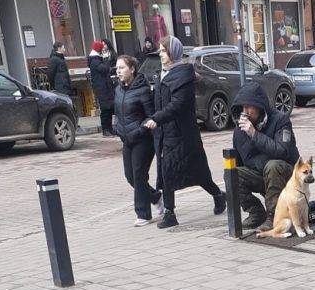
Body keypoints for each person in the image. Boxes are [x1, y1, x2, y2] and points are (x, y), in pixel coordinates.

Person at [144, 35, 226, 229]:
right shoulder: (162, 74)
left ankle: (218, 195)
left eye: (164, 51)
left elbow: (178, 105)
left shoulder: (183, 75)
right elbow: (158, 102)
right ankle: (170, 213)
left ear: (175, 52)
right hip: (165, 133)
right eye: (161, 51)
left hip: (183, 134)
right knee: (167, 172)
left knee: (199, 174)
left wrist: (156, 119)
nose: (161, 54)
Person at [230, 82, 300, 230]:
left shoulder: (280, 120)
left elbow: (282, 151)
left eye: (249, 106)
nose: (245, 111)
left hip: (288, 176)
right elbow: (242, 162)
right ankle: (256, 212)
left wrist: (254, 134)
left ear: (260, 106)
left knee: (273, 165)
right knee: (232, 174)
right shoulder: (240, 130)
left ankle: (275, 215)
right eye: (243, 107)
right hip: (263, 175)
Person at [114, 55, 164, 226]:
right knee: (130, 177)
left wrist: (140, 129)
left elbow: (151, 116)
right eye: (117, 68)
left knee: (139, 175)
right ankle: (156, 197)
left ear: (132, 69)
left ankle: (143, 214)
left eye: (121, 68)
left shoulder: (143, 90)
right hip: (126, 139)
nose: (118, 71)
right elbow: (117, 113)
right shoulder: (118, 89)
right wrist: (117, 127)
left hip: (143, 140)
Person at [88, 40, 116, 137]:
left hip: (104, 87)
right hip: (102, 88)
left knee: (108, 109)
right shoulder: (95, 61)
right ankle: (106, 129)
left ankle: (110, 129)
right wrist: (106, 59)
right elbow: (105, 69)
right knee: (105, 110)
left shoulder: (96, 59)